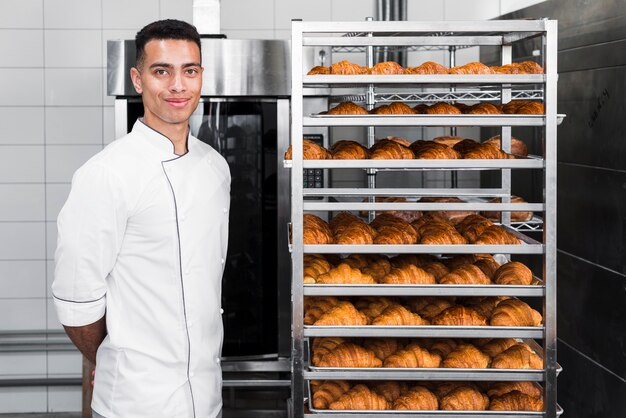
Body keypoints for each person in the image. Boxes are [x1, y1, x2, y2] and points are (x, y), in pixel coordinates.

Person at [52, 19, 230, 418]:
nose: (178, 86)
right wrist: (119, 362)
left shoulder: (215, 167)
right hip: (135, 403)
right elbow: (76, 301)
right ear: (137, 79)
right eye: (161, 71)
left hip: (207, 397)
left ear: (201, 76)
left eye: (190, 70)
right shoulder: (105, 173)